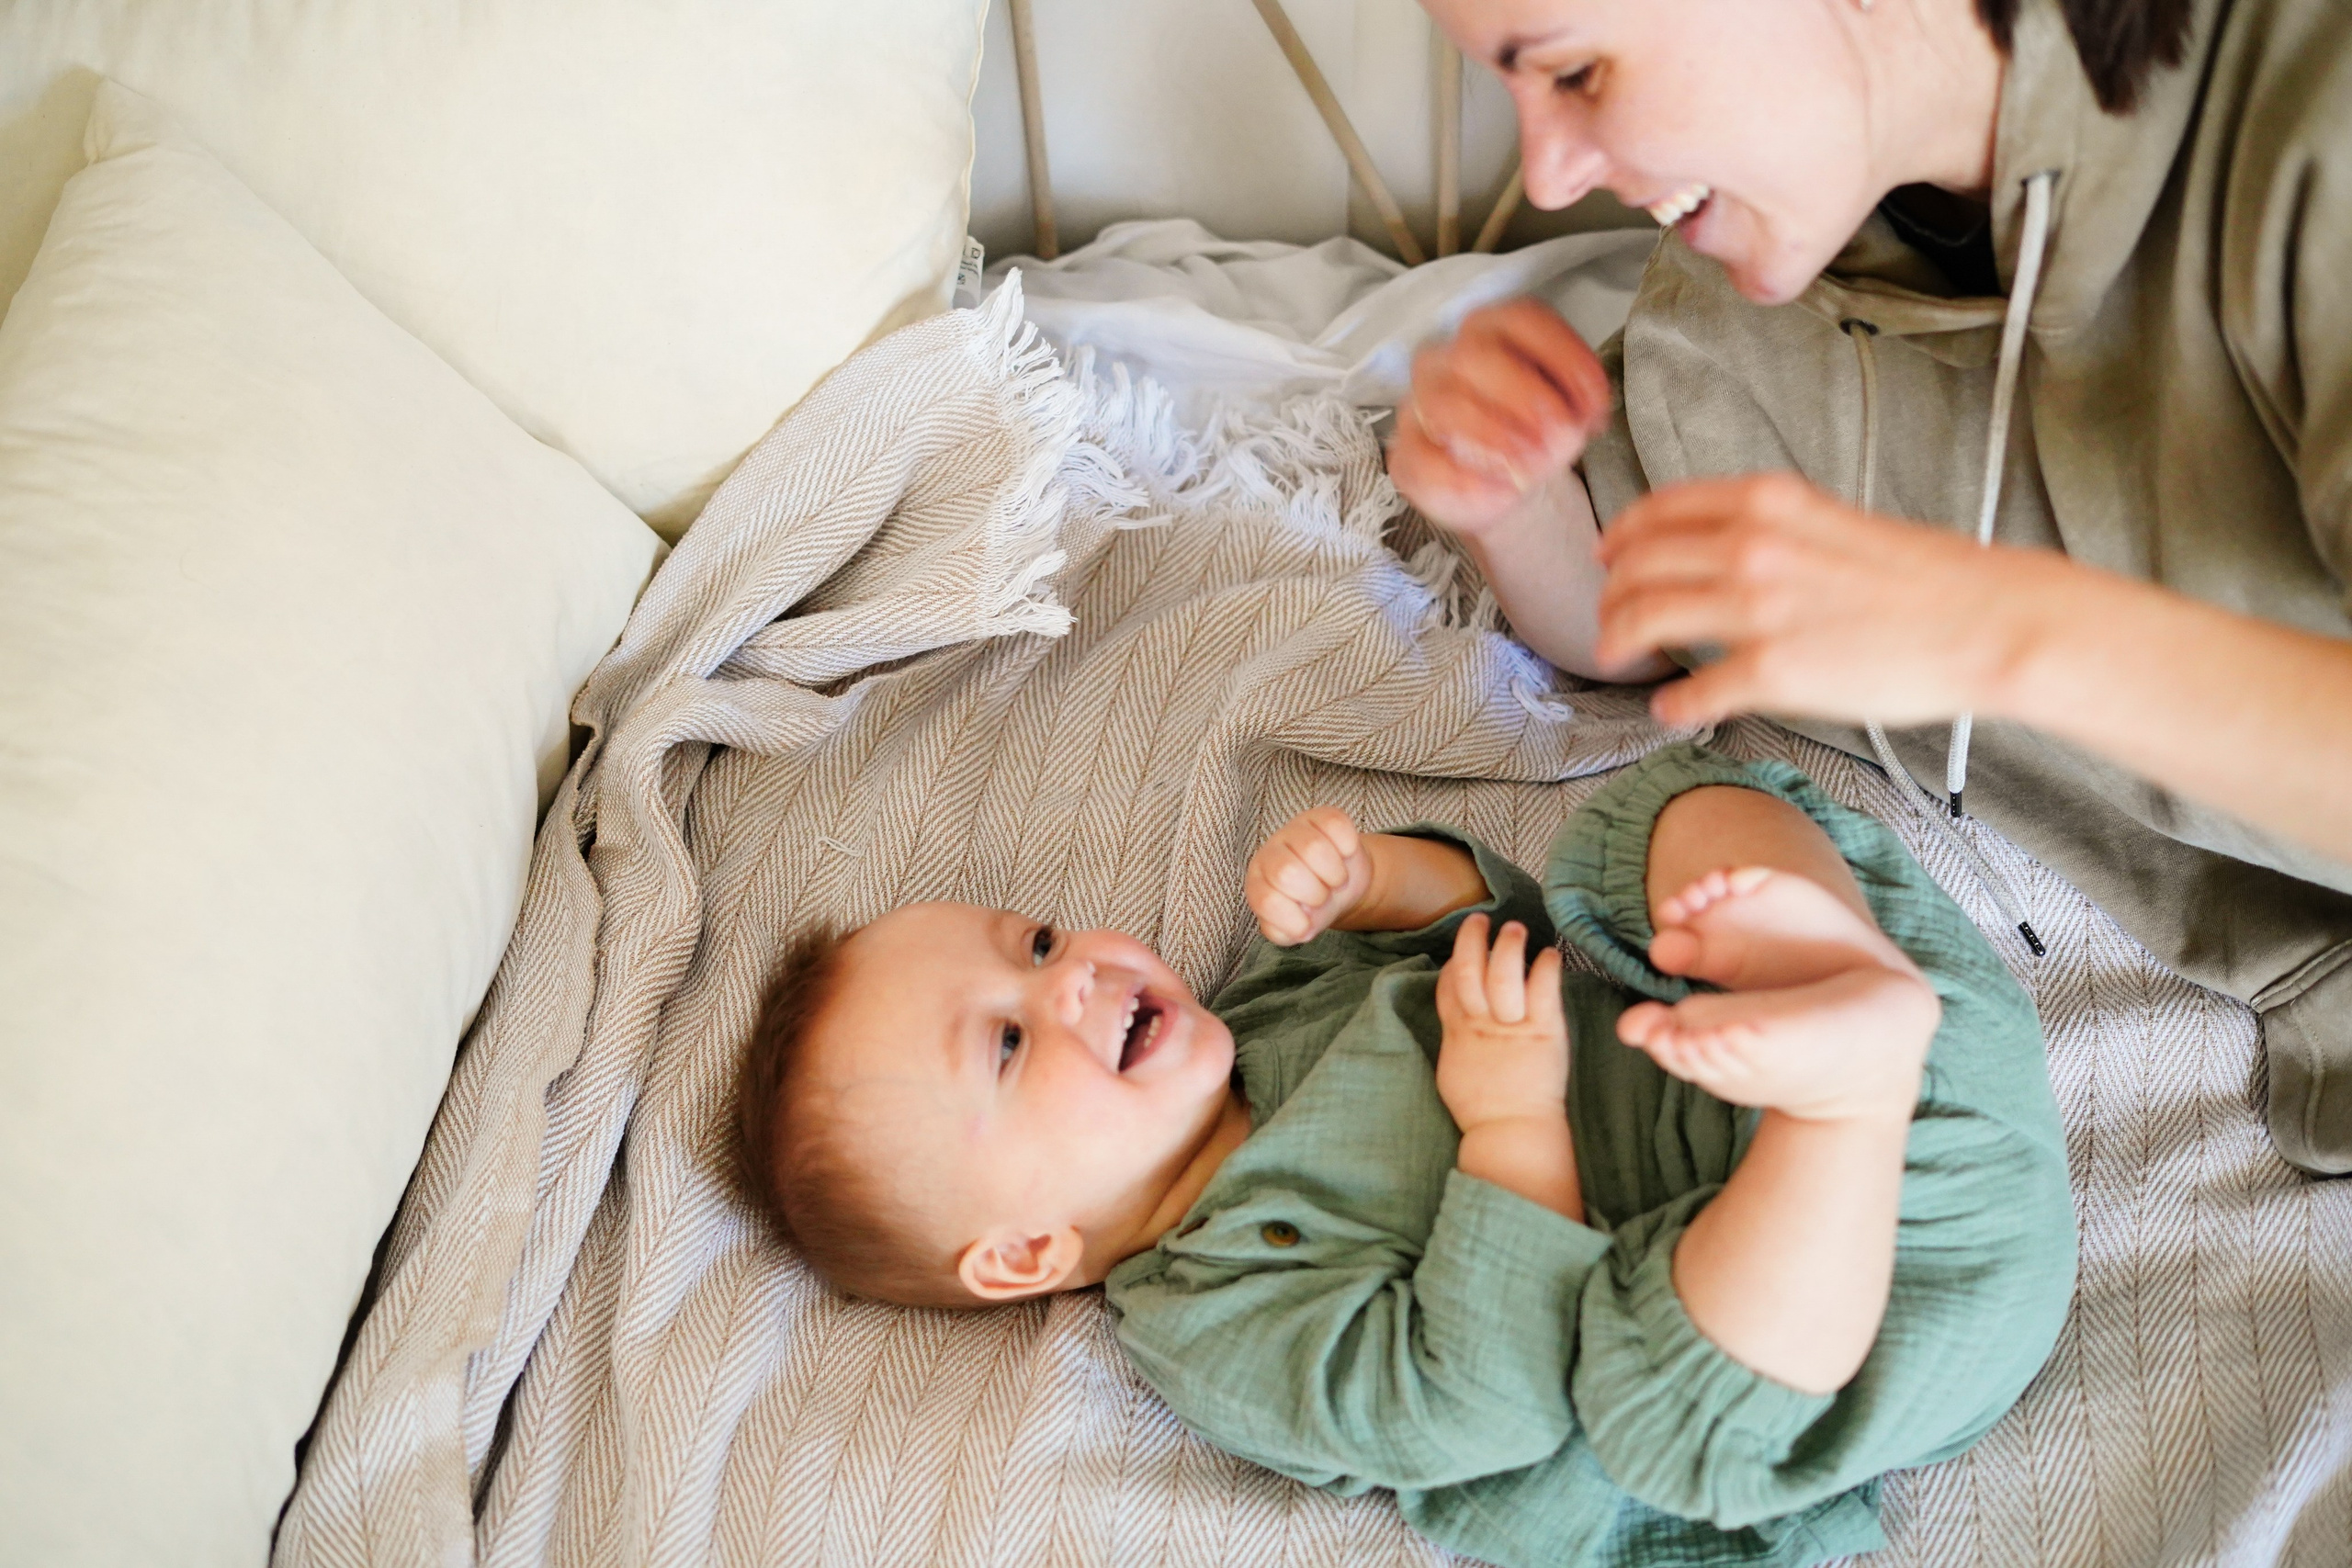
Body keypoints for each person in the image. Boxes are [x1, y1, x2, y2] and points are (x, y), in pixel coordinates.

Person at [1390, 0, 2352, 1174]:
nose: (1548, 177)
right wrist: (1508, 496)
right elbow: (1639, 619)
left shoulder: (2315, 143)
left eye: (1579, 74)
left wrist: (2007, 632)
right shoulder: (1769, 244)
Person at [732, 744, 2074, 1568]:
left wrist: (1375, 877)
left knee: (1644, 820)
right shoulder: (1212, 1317)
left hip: (1923, 1046)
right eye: (1013, 1044)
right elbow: (1478, 1408)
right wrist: (1510, 1125)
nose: (1075, 972)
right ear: (1027, 1248)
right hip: (1875, 1294)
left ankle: (1836, 979)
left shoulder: (1270, 1008)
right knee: (1663, 1422)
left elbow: (1504, 917)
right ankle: (1845, 1094)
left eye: (1033, 942)